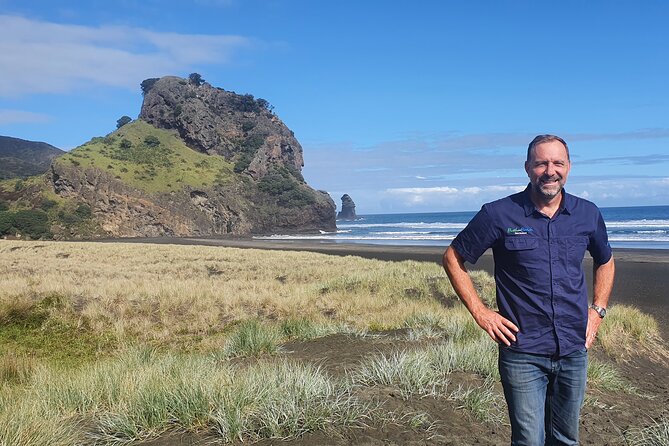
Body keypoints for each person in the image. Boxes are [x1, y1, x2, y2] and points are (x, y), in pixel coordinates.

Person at [443, 134, 615, 445]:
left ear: (569, 167)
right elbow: (454, 258)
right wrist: (481, 313)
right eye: (541, 163)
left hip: (573, 349)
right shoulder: (498, 214)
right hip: (522, 351)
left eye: (557, 163)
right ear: (527, 168)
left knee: (566, 439)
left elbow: (606, 259)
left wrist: (598, 309)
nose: (550, 170)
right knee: (528, 441)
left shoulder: (587, 213)